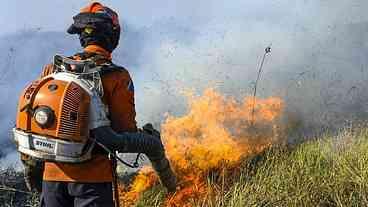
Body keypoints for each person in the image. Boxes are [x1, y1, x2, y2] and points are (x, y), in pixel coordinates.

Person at [20, 2, 176, 207]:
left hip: (52, 180)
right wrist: (149, 139)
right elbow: (123, 131)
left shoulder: (54, 70)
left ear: (82, 37)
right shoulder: (117, 76)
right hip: (92, 181)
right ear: (113, 37)